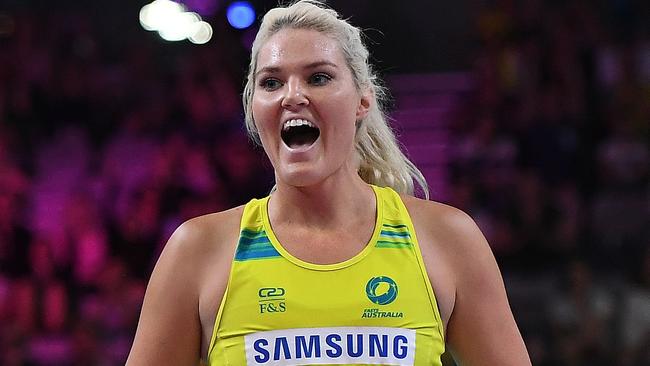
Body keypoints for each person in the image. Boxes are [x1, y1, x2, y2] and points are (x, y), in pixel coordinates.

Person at [126, 1, 531, 365]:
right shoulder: (198, 251)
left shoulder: (448, 239)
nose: (293, 95)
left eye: (318, 77)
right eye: (272, 82)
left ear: (362, 100)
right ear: (253, 107)